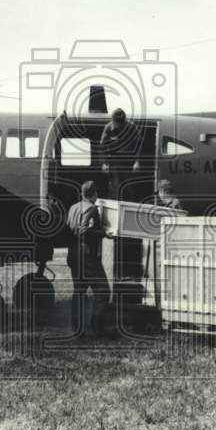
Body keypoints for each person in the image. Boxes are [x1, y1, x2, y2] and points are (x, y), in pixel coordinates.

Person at [65, 180, 111, 334]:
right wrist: (103, 233)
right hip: (86, 255)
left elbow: (69, 228)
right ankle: (97, 328)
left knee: (79, 290)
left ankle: (76, 327)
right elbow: (84, 231)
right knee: (103, 291)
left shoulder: (73, 207)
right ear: (94, 194)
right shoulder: (91, 208)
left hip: (72, 253)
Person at [99, 108, 143, 201]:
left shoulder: (132, 127)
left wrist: (137, 161)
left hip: (128, 163)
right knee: (114, 189)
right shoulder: (108, 128)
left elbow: (139, 146)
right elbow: (102, 147)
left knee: (129, 189)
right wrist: (104, 163)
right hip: (114, 163)